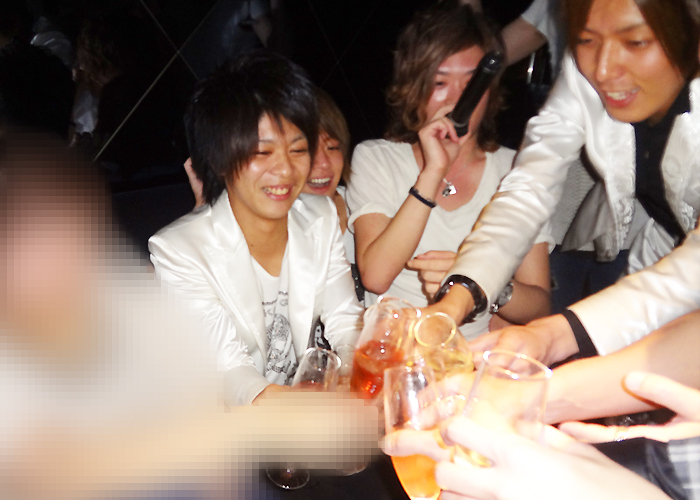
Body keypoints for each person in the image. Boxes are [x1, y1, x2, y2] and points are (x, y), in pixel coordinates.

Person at [0, 133, 379, 500]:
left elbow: (199, 389)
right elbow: (56, 476)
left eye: (77, 229)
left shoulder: (120, 290)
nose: (68, 251)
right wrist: (266, 425)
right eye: (29, 232)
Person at [429, 0, 700, 340]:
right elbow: (529, 186)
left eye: (636, 42)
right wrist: (459, 296)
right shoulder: (584, 74)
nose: (603, 70)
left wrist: (557, 335)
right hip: (665, 251)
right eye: (586, 40)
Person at [149, 51, 362, 407]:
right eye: (262, 153)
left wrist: (353, 376)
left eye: (298, 149)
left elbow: (347, 322)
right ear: (218, 160)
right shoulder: (179, 250)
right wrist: (318, 409)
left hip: (303, 413)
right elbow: (228, 373)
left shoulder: (320, 216)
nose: (286, 170)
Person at [346, 0, 552, 338]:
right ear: (414, 90)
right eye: (440, 83)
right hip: (389, 351)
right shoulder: (377, 159)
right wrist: (433, 171)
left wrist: (479, 282)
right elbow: (376, 276)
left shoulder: (517, 170)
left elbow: (540, 305)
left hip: (472, 359)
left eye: (472, 84)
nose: (457, 100)